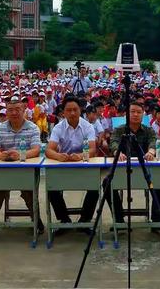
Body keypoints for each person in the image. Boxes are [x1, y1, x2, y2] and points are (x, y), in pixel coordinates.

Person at [0, 97, 44, 233]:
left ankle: (36, 220)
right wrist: (2, 156)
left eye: (18, 109)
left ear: (24, 110)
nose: (14, 113)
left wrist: (20, 155)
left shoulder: (33, 127)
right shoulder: (0, 127)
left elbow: (36, 149)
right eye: (10, 110)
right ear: (6, 112)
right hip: (4, 170)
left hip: (25, 171)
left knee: (29, 192)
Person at [45, 96, 98, 233]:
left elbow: (92, 149)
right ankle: (64, 220)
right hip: (64, 166)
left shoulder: (88, 127)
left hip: (84, 165)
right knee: (51, 188)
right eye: (69, 110)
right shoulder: (58, 127)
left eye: (75, 110)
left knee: (96, 187)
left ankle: (85, 220)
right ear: (63, 112)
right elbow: (49, 150)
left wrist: (81, 156)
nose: (73, 113)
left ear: (80, 110)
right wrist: (58, 156)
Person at [109, 102, 160, 231]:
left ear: (143, 115)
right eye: (132, 111)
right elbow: (113, 142)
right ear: (126, 114)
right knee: (107, 183)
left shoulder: (148, 129)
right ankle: (119, 221)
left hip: (145, 171)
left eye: (138, 112)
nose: (135, 115)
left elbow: (154, 140)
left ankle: (156, 221)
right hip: (123, 171)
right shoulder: (120, 129)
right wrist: (117, 152)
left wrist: (151, 151)